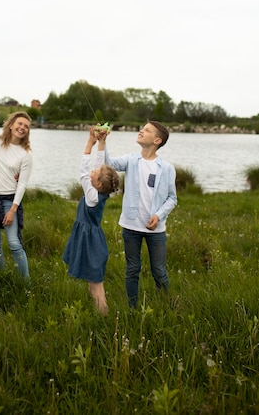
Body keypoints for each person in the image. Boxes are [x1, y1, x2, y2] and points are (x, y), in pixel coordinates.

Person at [104, 121, 177, 308]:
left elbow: (172, 198)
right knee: (132, 269)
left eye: (147, 130)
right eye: (142, 128)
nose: (141, 131)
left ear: (157, 140)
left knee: (159, 270)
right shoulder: (131, 160)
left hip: (156, 229)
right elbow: (108, 163)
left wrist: (159, 216)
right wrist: (102, 142)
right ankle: (132, 308)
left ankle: (166, 305)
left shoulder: (166, 168)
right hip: (131, 227)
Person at [63, 127, 120, 315]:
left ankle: (104, 317)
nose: (93, 171)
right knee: (93, 283)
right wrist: (101, 143)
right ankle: (99, 312)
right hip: (91, 239)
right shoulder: (99, 191)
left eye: (95, 173)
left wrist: (89, 143)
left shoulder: (92, 196)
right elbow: (99, 163)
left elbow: (83, 172)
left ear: (98, 184)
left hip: (90, 242)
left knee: (96, 286)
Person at [0, 111, 33, 279]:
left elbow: (23, 184)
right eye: (19, 124)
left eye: (26, 126)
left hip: (8, 201)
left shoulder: (26, 154)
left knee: (14, 243)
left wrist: (12, 209)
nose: (22, 128)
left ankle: (25, 284)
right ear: (11, 125)